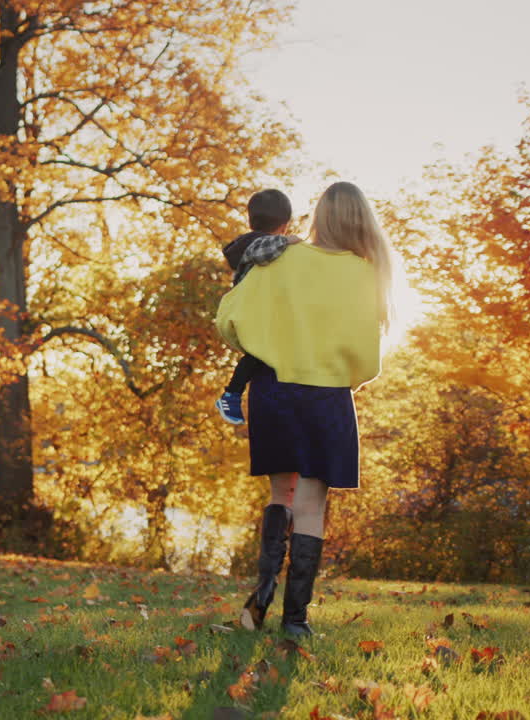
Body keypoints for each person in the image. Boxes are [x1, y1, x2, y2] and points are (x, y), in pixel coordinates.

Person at [215, 181, 394, 636]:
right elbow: (367, 361)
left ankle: (256, 609)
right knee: (311, 507)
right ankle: (296, 621)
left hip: (275, 391)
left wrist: (266, 348)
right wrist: (336, 377)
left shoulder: (284, 257)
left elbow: (228, 319)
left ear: (320, 215)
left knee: (281, 496)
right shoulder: (366, 272)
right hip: (327, 396)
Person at [215, 189, 299, 425]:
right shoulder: (258, 244)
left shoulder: (248, 242)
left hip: (254, 308)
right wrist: (287, 241)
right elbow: (263, 253)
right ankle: (231, 393)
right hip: (253, 310)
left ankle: (232, 392)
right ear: (284, 225)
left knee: (257, 354)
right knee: (257, 354)